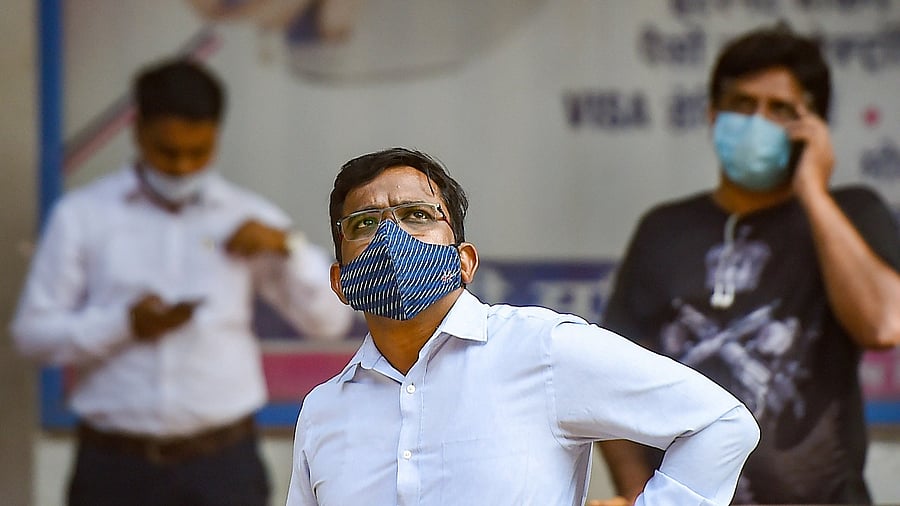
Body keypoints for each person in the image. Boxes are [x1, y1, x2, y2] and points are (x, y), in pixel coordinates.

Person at [285, 147, 759, 505]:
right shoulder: (324, 410)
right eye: (365, 223)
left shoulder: (542, 350)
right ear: (341, 280)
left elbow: (722, 423)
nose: (392, 237)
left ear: (464, 262)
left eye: (418, 215)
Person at [10, 58, 353, 506]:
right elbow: (32, 336)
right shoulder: (83, 217)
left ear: (216, 137)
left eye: (199, 152)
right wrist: (123, 324)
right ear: (137, 132)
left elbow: (328, 323)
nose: (183, 166)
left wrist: (289, 248)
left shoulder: (249, 220)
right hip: (114, 465)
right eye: (167, 151)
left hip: (222, 466)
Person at [597, 25, 900, 505]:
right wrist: (641, 497)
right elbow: (611, 382)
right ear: (713, 115)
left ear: (813, 128)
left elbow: (883, 324)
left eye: (782, 110)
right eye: (742, 104)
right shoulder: (663, 229)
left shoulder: (852, 213)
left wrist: (814, 191)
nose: (758, 121)